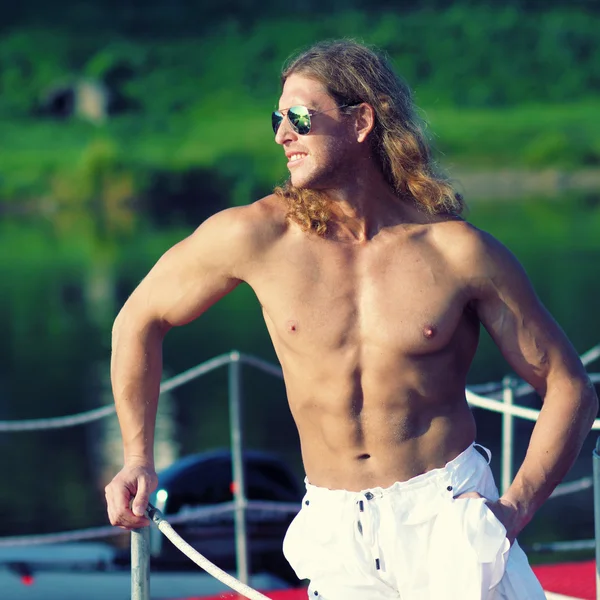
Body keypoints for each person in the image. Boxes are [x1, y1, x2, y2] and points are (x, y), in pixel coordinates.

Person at [105, 40, 598, 599]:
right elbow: (137, 321)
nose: (281, 134)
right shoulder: (255, 237)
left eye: (298, 117)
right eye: (276, 119)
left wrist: (513, 510)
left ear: (361, 121)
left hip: (448, 517)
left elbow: (567, 386)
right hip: (336, 531)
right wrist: (138, 458)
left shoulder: (456, 253)